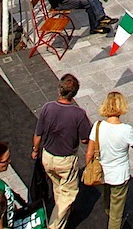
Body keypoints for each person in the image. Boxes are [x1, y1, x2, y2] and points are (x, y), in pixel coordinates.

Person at [33, 74, 91, 229]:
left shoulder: (47, 108)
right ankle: (54, 225)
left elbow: (38, 134)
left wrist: (35, 151)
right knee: (68, 194)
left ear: (59, 90)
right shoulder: (79, 114)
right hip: (66, 160)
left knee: (58, 186)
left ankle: (62, 214)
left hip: (47, 156)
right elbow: (85, 139)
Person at [90, 91, 133, 229]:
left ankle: (108, 211)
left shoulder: (98, 126)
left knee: (107, 195)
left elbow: (90, 151)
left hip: (103, 172)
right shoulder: (126, 130)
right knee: (117, 212)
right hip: (119, 175)